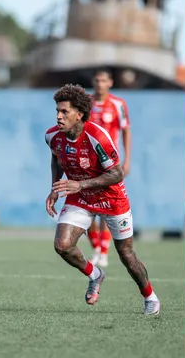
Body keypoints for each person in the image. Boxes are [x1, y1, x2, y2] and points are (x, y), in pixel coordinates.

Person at [45, 84, 160, 315]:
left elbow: (117, 174)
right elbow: (57, 159)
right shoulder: (52, 137)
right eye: (57, 111)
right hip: (80, 197)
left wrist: (80, 184)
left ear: (80, 114)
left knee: (126, 255)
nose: (58, 116)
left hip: (111, 198)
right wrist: (55, 188)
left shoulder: (98, 137)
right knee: (62, 246)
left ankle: (150, 297)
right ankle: (95, 274)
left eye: (64, 112)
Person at [86, 69, 132, 268]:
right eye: (96, 80)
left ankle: (103, 251)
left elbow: (126, 131)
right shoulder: (85, 103)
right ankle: (96, 247)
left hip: (108, 164)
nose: (99, 84)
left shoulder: (118, 104)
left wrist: (127, 160)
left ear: (110, 83)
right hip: (86, 162)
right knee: (85, 206)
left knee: (106, 206)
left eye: (103, 80)